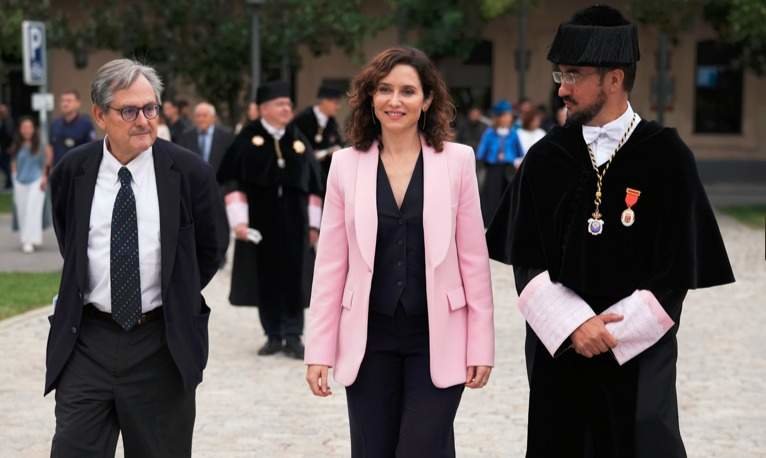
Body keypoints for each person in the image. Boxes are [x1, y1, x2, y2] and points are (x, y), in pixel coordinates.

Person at [485, 6, 735, 457]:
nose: (561, 88)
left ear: (614, 78)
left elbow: (677, 269)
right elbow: (526, 260)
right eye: (560, 74)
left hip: (639, 359)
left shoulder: (667, 156)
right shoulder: (545, 158)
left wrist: (610, 333)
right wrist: (576, 325)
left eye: (574, 75)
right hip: (559, 355)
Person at [305, 46, 494, 458]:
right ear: (370, 97)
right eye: (385, 89)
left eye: (408, 91)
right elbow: (331, 266)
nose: (395, 101)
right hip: (368, 338)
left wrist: (482, 345)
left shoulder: (458, 161)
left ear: (427, 100)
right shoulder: (344, 165)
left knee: (420, 448)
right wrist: (318, 350)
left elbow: (474, 262)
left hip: (439, 336)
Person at [47, 59, 226, 457]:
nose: (144, 120)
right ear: (100, 115)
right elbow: (70, 242)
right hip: (87, 341)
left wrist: (175, 291)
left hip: (160, 343)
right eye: (129, 110)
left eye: (151, 108)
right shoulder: (72, 171)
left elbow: (211, 250)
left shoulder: (190, 173)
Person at [217, 81, 323, 359]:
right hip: (260, 225)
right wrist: (239, 222)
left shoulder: (299, 140)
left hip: (294, 223)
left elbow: (313, 186)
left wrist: (314, 225)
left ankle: (294, 335)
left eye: (289, 105)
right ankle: (273, 334)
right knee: (265, 278)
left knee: (294, 278)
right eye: (280, 104)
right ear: (263, 109)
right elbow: (232, 182)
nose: (287, 109)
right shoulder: (245, 140)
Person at [178, 102, 234, 262]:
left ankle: (220, 253)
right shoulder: (186, 135)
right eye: (198, 116)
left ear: (213, 118)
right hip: (194, 190)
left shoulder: (225, 136)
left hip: (219, 187)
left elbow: (230, 162)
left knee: (218, 223)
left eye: (205, 115)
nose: (201, 119)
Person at [476, 99, 523, 226]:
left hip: (509, 169)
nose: (508, 119)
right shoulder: (489, 133)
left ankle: (508, 221)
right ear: (498, 117)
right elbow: (481, 152)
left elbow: (519, 151)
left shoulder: (513, 133)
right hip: (493, 168)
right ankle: (490, 221)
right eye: (505, 115)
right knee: (492, 195)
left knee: (508, 194)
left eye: (509, 116)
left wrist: (516, 161)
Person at [9, 117, 50, 253]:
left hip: (36, 181)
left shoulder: (40, 144)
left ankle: (31, 241)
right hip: (20, 181)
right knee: (22, 211)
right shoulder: (17, 145)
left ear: (34, 129)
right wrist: (14, 178)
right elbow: (13, 163)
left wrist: (45, 177)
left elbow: (46, 161)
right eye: (24, 127)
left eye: (29, 127)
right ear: (20, 130)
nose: (26, 130)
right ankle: (25, 238)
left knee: (33, 211)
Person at [292, 83, 344, 189]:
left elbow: (337, 142)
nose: (338, 107)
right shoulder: (303, 119)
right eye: (335, 103)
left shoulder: (332, 123)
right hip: (303, 175)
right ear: (324, 101)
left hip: (324, 177)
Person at [46, 90, 96, 167]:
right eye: (63, 101)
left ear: (78, 103)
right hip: (58, 170)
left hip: (78, 171)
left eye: (69, 101)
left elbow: (92, 149)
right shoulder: (55, 124)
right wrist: (46, 171)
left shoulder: (85, 124)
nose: (65, 104)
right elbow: (50, 148)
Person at [0, 103, 15, 189]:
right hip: (4, 148)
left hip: (8, 148)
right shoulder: (3, 121)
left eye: (2, 111)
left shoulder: (9, 121)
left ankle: (9, 183)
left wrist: (12, 146)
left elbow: (11, 135)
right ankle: (9, 182)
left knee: (6, 165)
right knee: (4, 165)